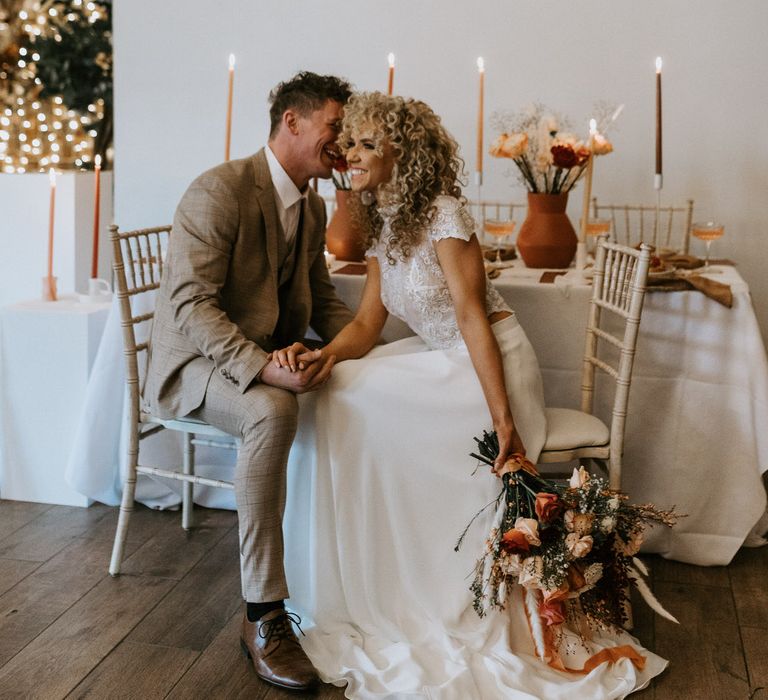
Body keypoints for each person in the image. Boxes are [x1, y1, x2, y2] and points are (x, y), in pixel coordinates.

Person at [278, 92, 667, 698]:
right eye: (349, 142)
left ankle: (414, 588)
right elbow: (365, 327)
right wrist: (322, 355)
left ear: (402, 154)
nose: (349, 153)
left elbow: (471, 319)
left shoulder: (444, 214)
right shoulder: (385, 220)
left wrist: (504, 420)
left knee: (356, 401)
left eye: (365, 145)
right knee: (334, 388)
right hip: (443, 358)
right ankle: (355, 582)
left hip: (490, 366)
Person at [144, 72, 356, 692]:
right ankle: (263, 616)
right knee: (272, 411)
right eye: (334, 127)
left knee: (351, 389)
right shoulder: (219, 190)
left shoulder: (312, 206)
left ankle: (340, 581)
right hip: (193, 367)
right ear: (292, 122)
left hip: (250, 358)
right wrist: (263, 368)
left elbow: (321, 301)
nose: (341, 143)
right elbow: (189, 306)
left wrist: (371, 353)